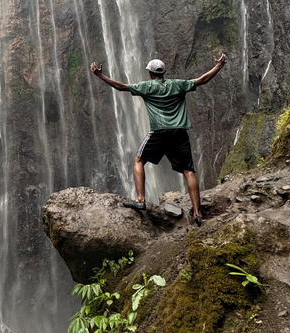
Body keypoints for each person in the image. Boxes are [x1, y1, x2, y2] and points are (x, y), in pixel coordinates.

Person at [90, 54, 227, 226]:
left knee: (139, 160)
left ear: (150, 73)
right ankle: (198, 214)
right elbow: (203, 80)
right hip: (179, 131)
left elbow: (120, 87)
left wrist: (100, 75)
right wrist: (218, 66)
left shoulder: (146, 87)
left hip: (159, 131)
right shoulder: (178, 84)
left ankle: (140, 199)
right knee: (188, 171)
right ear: (164, 72)